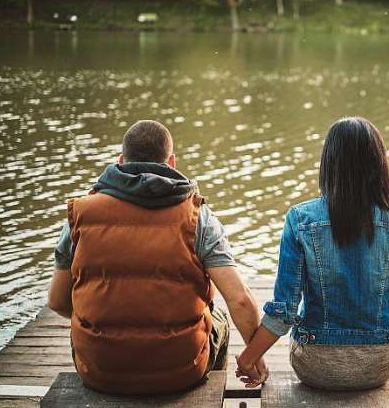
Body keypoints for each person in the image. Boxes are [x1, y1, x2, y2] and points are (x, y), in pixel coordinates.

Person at [47, 120, 268, 395]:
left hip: (99, 371)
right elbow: (241, 300)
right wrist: (255, 355)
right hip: (182, 371)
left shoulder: (79, 214)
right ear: (171, 163)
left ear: (121, 160)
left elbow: (57, 301)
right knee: (218, 315)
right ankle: (209, 395)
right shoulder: (198, 217)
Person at [235, 116, 389, 390]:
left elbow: (285, 310)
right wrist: (373, 324)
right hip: (378, 363)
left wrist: (248, 358)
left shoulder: (300, 219)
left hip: (316, 364)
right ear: (378, 165)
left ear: (329, 163)